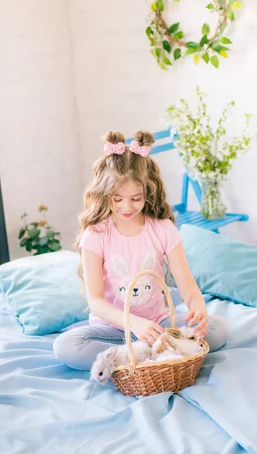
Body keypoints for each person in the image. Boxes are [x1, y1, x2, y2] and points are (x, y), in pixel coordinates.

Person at [53, 130, 230, 370]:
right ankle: (154, 355)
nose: (127, 207)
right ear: (105, 194)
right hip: (113, 329)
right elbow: (95, 301)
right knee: (66, 346)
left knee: (219, 330)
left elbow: (188, 288)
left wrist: (198, 309)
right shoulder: (96, 234)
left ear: (149, 192)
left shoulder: (162, 229)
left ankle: (137, 357)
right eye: (118, 199)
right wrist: (134, 325)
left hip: (159, 325)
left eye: (136, 199)